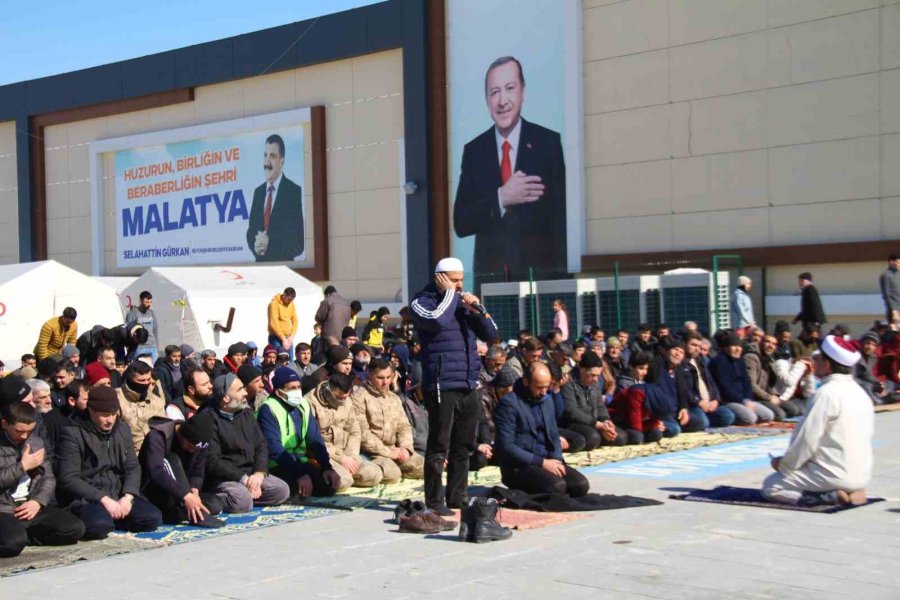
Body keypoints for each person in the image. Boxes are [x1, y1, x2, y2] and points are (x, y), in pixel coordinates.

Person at [452, 56, 566, 285]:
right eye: (494, 92)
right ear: (486, 99)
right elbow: (461, 223)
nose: (502, 100)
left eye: (509, 89)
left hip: (539, 282)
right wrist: (501, 197)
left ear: (522, 92)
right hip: (491, 281)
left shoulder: (547, 143)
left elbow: (561, 219)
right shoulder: (475, 151)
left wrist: (560, 280)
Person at [409, 257, 498, 515]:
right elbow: (435, 320)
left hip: (468, 383)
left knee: (464, 444)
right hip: (441, 383)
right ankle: (435, 501)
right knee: (439, 445)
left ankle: (457, 496)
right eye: (454, 280)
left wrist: (478, 309)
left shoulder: (461, 303)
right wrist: (449, 295)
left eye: (461, 280)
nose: (459, 285)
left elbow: (491, 335)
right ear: (440, 278)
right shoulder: (422, 301)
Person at [763, 336, 873, 506]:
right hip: (861, 475)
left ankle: (831, 496)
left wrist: (784, 465)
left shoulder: (826, 393)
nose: (814, 363)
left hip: (833, 474)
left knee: (771, 486)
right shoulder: (861, 393)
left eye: (817, 359)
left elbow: (807, 439)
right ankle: (851, 490)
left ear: (827, 365)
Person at [57, 386, 162, 539]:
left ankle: (115, 517)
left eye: (113, 414)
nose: (110, 420)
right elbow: (69, 478)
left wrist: (128, 496)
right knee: (99, 526)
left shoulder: (122, 429)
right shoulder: (72, 433)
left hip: (117, 491)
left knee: (152, 517)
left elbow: (132, 466)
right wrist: (103, 499)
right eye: (105, 415)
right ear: (91, 411)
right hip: (88, 497)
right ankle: (107, 519)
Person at [193, 373, 290, 513]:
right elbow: (212, 460)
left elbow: (261, 444)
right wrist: (243, 479)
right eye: (239, 390)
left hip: (250, 473)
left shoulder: (246, 413)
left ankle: (249, 494)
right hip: (225, 477)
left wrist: (259, 473)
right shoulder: (208, 418)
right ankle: (218, 499)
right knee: (242, 501)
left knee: (281, 490)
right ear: (225, 398)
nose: (245, 393)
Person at [0, 401, 85, 557]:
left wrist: (38, 501)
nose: (24, 436)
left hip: (29, 506)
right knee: (12, 544)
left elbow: (48, 478)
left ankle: (24, 536)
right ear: (5, 424)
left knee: (74, 528)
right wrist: (23, 467)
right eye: (19, 431)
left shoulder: (35, 442)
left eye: (29, 431)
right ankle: (16, 536)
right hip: (4, 509)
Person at [494, 362, 589, 497]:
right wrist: (542, 463)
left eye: (546, 387)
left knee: (580, 485)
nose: (544, 392)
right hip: (522, 465)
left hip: (547, 458)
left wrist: (557, 458)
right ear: (526, 382)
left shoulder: (547, 400)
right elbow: (506, 446)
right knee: (558, 487)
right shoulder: (509, 404)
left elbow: (553, 433)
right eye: (539, 387)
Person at [257, 368, 342, 498]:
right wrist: (299, 474)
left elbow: (315, 439)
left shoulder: (303, 405)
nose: (296, 391)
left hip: (301, 461)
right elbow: (274, 449)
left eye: (298, 387)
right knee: (296, 490)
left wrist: (326, 467)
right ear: (279, 392)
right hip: (278, 464)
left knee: (329, 486)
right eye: (291, 388)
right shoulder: (268, 409)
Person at [138, 416, 224, 526]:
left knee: (216, 504)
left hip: (182, 488)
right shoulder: (158, 436)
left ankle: (185, 510)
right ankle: (187, 511)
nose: (192, 451)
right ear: (182, 435)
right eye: (190, 446)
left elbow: (197, 472)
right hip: (156, 490)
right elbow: (156, 471)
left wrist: (194, 489)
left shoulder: (199, 444)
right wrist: (186, 495)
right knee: (172, 460)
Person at [352, 359, 425, 483]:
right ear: (369, 375)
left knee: (426, 467)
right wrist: (388, 452)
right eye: (380, 378)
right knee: (392, 474)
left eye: (388, 377)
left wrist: (405, 448)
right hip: (371, 452)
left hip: (395, 449)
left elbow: (404, 426)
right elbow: (363, 433)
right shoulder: (359, 398)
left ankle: (400, 466)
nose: (385, 382)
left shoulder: (394, 398)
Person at [307, 372, 382, 489]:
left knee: (373, 474)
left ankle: (350, 475)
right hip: (325, 455)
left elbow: (354, 431)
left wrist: (351, 456)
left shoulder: (347, 401)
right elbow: (312, 439)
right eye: (339, 397)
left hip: (347, 453)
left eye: (346, 397)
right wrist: (340, 458)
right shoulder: (309, 403)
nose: (343, 400)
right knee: (342, 480)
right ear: (328, 389)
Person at [246, 133, 304, 262]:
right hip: (260, 272)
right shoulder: (258, 192)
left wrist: (270, 244)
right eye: (265, 155)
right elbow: (251, 233)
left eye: (272, 156)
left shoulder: (293, 192)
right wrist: (255, 245)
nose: (267, 161)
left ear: (281, 160)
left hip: (284, 272)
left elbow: (299, 243)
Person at [559, 352, 626, 450]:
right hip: (574, 423)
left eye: (598, 376)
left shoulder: (594, 384)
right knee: (593, 438)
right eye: (592, 375)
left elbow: (600, 406)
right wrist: (598, 425)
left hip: (595, 422)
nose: (595, 379)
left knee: (621, 437)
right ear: (582, 370)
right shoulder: (568, 382)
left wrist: (606, 421)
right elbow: (571, 411)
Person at [709, 332, 775, 425]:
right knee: (750, 418)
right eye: (734, 346)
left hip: (744, 400)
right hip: (728, 401)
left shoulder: (740, 361)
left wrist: (748, 400)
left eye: (739, 346)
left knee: (768, 415)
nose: (737, 349)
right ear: (725, 348)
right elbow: (725, 388)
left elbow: (747, 383)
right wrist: (743, 401)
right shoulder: (719, 362)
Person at [680, 332, 736, 430]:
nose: (697, 349)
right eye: (693, 345)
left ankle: (704, 419)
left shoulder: (701, 362)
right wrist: (698, 402)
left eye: (698, 346)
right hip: (694, 404)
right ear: (684, 344)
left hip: (709, 402)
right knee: (703, 422)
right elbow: (684, 389)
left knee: (728, 416)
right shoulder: (681, 364)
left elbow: (712, 384)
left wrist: (716, 400)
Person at [116, 360, 167, 452]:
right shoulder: (118, 398)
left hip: (156, 452)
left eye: (148, 380)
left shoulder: (155, 397)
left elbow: (164, 426)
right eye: (141, 380)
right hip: (131, 454)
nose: (146, 383)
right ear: (130, 380)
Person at [471, 368, 516, 471]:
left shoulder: (508, 397)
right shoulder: (483, 397)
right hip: (484, 438)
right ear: (502, 388)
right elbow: (485, 423)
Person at [125, 291, 160, 363]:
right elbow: (128, 331)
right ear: (140, 301)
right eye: (146, 302)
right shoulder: (132, 313)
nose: (149, 304)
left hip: (152, 346)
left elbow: (155, 330)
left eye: (150, 302)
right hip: (139, 347)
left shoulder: (152, 313)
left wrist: (157, 347)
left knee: (154, 368)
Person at [268, 287, 298, 360]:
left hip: (288, 337)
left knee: (290, 361)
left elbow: (295, 320)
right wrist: (283, 339)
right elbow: (273, 323)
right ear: (284, 295)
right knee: (279, 361)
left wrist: (291, 336)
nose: (290, 302)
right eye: (289, 299)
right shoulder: (274, 304)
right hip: (275, 337)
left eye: (292, 300)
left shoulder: (291, 304)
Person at [880, 254, 900, 323]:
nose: (899, 265)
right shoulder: (886, 275)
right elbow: (886, 295)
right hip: (895, 311)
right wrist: (894, 311)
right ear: (891, 262)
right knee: (894, 332)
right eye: (898, 262)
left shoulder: (898, 275)